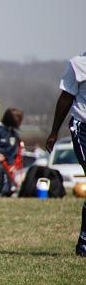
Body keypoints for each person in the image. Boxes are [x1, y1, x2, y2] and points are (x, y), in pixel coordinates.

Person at [46, 51, 86, 256]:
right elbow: (65, 98)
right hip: (82, 126)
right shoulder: (78, 64)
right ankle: (84, 242)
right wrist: (54, 132)